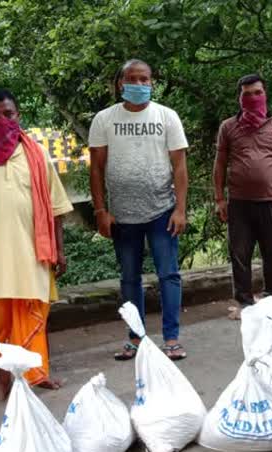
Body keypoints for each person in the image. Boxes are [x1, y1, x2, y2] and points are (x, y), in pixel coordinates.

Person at [0, 88, 74, 400]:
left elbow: (57, 207)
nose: (2, 119)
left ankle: (37, 373)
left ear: (19, 116)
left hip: (33, 252)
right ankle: (3, 376)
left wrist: (59, 249)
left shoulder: (37, 154)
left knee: (34, 312)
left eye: (9, 114)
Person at [88, 59, 189, 361]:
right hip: (121, 215)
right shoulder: (104, 119)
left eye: (144, 79)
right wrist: (100, 210)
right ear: (121, 84)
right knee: (129, 277)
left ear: (151, 83)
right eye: (132, 79)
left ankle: (171, 339)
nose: (139, 84)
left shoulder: (166, 116)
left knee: (168, 274)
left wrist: (181, 209)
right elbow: (96, 168)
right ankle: (135, 337)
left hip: (162, 211)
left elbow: (180, 165)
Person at [213, 74, 272, 319]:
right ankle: (245, 303)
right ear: (239, 98)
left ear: (265, 94)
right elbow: (220, 164)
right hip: (239, 202)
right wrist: (219, 199)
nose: (252, 98)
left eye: (257, 93)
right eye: (247, 94)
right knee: (239, 254)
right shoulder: (228, 126)